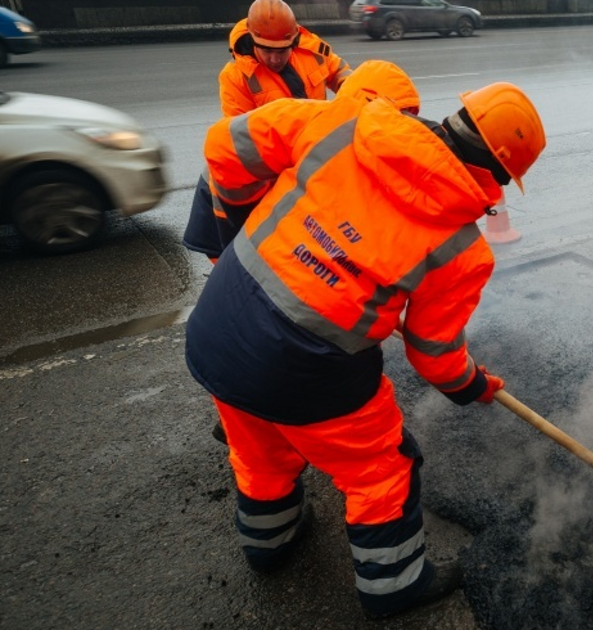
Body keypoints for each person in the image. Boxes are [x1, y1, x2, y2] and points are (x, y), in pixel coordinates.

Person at [185, 59, 546, 618]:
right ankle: (394, 586)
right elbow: (434, 354)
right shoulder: (460, 246)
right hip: (304, 366)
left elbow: (225, 143)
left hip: (218, 326)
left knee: (261, 443)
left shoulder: (345, 123)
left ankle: (268, 545)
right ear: (499, 176)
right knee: (383, 468)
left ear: (457, 117)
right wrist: (473, 385)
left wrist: (238, 218)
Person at [183, 0, 353, 263]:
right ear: (253, 40)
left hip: (314, 153)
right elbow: (244, 142)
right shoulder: (236, 77)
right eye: (266, 51)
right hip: (277, 168)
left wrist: (353, 93)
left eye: (282, 51)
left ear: (294, 41)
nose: (274, 59)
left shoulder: (312, 50)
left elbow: (340, 72)